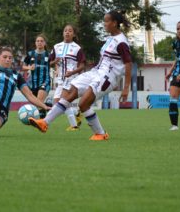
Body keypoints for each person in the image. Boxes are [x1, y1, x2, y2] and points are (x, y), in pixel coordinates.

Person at [29, 10, 132, 141]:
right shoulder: (110, 39)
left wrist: (126, 87)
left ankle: (100, 133)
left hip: (107, 78)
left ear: (115, 23)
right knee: (71, 91)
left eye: (106, 21)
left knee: (83, 104)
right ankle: (44, 122)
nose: (104, 24)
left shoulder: (121, 42)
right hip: (96, 72)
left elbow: (129, 63)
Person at [49, 24, 86, 131]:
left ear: (73, 34)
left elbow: (82, 65)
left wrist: (73, 72)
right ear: (63, 33)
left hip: (72, 79)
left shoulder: (77, 48)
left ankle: (74, 125)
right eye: (65, 30)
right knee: (57, 103)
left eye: (70, 31)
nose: (67, 32)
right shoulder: (57, 47)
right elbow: (49, 62)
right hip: (60, 79)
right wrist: (55, 62)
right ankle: (76, 113)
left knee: (62, 101)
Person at [22, 34, 51, 118]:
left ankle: (40, 122)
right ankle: (48, 105)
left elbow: (54, 64)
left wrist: (56, 70)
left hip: (45, 81)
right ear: (35, 43)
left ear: (44, 43)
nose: (39, 43)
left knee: (39, 100)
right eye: (38, 41)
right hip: (33, 83)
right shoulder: (30, 54)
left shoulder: (48, 55)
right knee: (38, 104)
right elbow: (23, 67)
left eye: (41, 41)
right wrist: (29, 67)